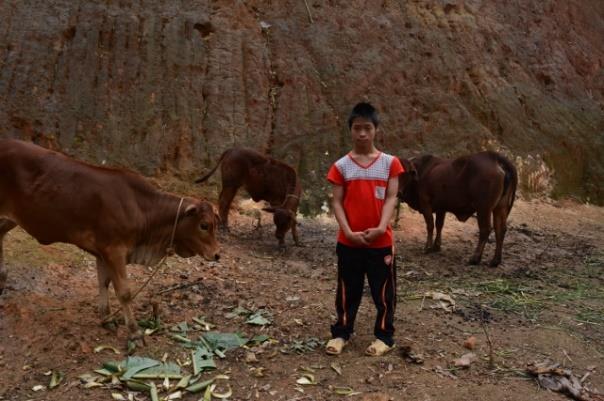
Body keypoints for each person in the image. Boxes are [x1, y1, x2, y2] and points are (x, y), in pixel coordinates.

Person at [325, 102, 404, 356]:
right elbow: (336, 201)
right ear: (350, 130)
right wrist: (347, 231)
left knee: (383, 291)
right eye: (357, 128)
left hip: (380, 241)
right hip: (349, 241)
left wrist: (382, 227)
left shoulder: (390, 163)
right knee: (348, 290)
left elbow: (392, 197)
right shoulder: (341, 166)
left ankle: (384, 336)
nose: (362, 134)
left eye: (367, 128)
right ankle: (341, 333)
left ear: (375, 130)